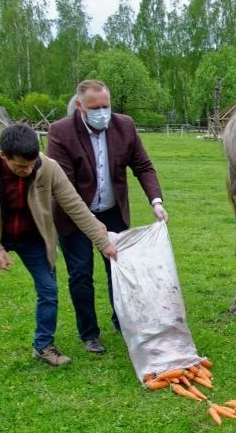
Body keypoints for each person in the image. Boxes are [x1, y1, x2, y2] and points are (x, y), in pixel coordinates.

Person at [0, 123, 118, 375]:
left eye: (32, 164)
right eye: (20, 166)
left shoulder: (48, 168)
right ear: (3, 156)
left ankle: (43, 345)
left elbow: (75, 205)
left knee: (49, 291)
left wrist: (103, 241)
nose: (28, 170)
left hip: (34, 237)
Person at [47, 79, 169, 354]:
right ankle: (89, 333)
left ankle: (122, 320)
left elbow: (143, 165)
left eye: (106, 106)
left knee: (118, 268)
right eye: (94, 107)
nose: (102, 112)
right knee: (80, 274)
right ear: (80, 107)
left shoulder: (124, 125)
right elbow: (62, 186)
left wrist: (156, 201)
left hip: (112, 211)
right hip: (74, 215)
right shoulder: (60, 132)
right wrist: (91, 224)